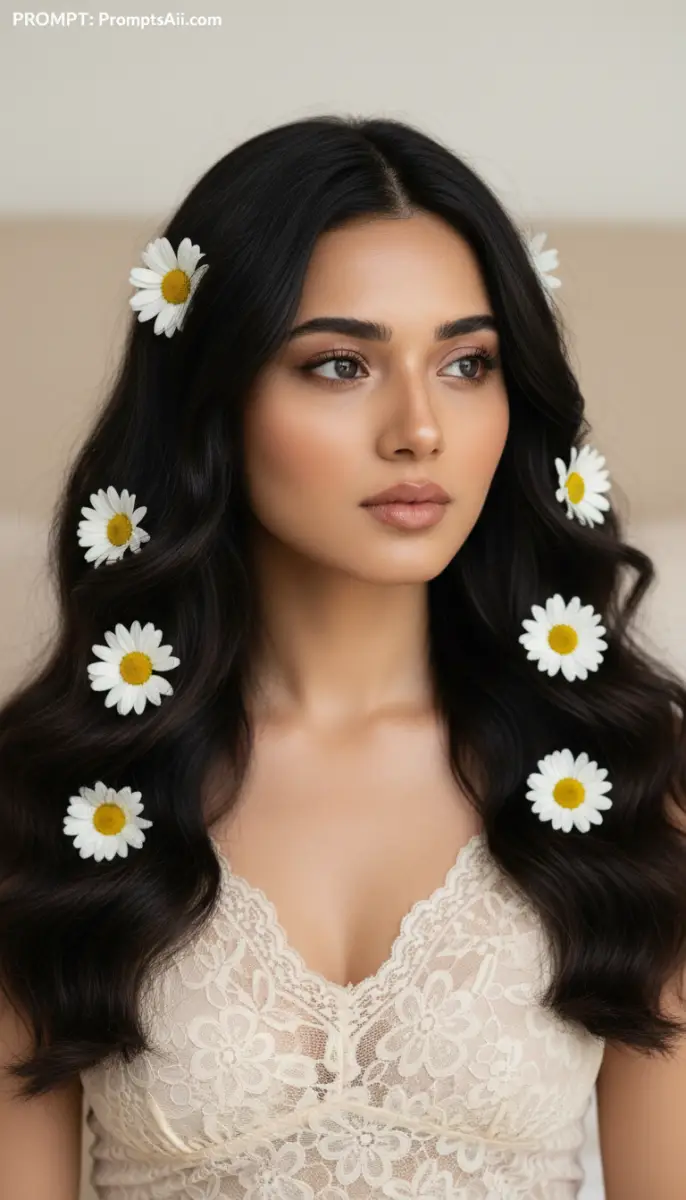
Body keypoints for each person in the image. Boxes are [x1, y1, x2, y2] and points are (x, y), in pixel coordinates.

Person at [1, 114, 685, 1200]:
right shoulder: (52, 797)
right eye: (339, 364)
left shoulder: (629, 778)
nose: (419, 428)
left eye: (466, 363)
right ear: (213, 399)